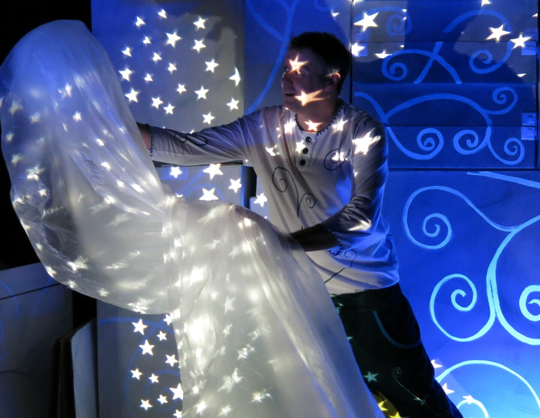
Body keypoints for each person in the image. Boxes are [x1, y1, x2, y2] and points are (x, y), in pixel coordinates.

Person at [138, 32, 463, 418]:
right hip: (303, 291)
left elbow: (360, 217)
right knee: (324, 397)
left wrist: (286, 244)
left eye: (301, 70)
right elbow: (187, 147)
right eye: (286, 69)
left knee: (408, 392)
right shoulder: (264, 126)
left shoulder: (362, 132)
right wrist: (111, 126)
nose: (287, 79)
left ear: (332, 79)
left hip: (364, 294)